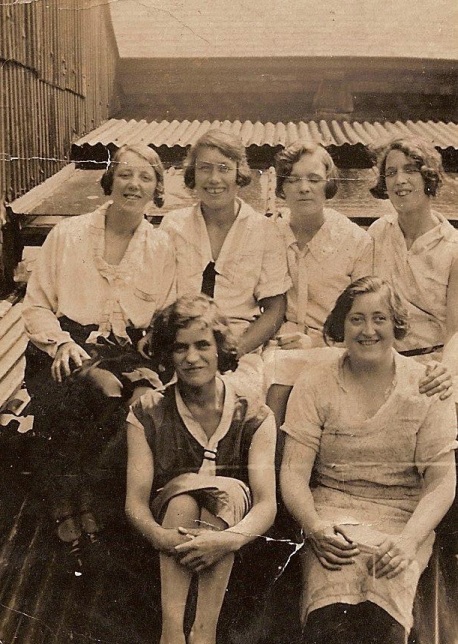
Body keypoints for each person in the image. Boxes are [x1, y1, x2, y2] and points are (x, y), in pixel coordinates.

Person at [280, 276, 457, 644]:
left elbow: (441, 483)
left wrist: (408, 542)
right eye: (356, 319)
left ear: (397, 325)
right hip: (332, 515)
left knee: (384, 613)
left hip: (402, 518)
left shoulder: (426, 385)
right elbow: (294, 475)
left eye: (380, 318)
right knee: (329, 610)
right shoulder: (315, 383)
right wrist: (315, 527)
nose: (368, 330)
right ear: (341, 325)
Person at [22, 144, 176, 566]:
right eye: (125, 174)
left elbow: (167, 313)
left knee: (135, 401)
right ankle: (61, 500)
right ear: (110, 181)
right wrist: (61, 343)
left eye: (146, 177)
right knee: (85, 386)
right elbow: (35, 305)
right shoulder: (67, 235)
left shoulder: (162, 247)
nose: (134, 184)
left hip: (128, 351)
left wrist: (153, 345)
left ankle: (90, 495)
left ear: (156, 188)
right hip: (65, 344)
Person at [125, 294, 277, 644]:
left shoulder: (254, 415)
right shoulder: (147, 412)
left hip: (235, 543)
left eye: (203, 345)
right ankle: (173, 634)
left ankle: (203, 634)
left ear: (220, 348)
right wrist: (161, 537)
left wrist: (223, 541)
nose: (192, 357)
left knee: (229, 490)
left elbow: (266, 504)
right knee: (181, 501)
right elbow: (134, 504)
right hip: (168, 543)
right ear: (168, 353)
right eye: (180, 348)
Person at [158, 129, 290, 369]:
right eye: (205, 168)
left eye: (224, 168)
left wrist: (234, 350)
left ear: (239, 173)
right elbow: (160, 299)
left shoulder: (265, 230)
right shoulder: (172, 226)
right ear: (193, 174)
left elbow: (275, 309)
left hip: (238, 349)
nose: (214, 179)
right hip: (181, 350)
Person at [265, 140, 373, 427]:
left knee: (286, 373)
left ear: (328, 185)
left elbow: (362, 312)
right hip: (278, 344)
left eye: (314, 179)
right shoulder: (268, 234)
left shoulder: (355, 241)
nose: (304, 188)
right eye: (293, 180)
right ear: (282, 188)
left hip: (335, 343)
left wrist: (316, 341)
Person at [368, 135, 458, 389]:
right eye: (391, 173)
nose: (400, 181)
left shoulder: (453, 247)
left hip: (434, 364)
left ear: (428, 177)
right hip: (381, 363)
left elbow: (456, 330)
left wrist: (446, 371)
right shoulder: (378, 232)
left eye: (410, 170)